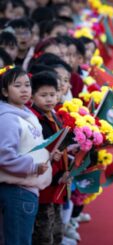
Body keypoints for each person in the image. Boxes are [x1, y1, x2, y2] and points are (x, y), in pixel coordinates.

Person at [0, 66, 52, 245]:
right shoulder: (7, 118)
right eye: (17, 85)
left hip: (27, 189)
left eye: (27, 85)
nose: (24, 89)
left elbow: (32, 146)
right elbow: (5, 157)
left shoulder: (27, 114)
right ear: (5, 91)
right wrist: (33, 166)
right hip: (17, 190)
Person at [29, 71, 70, 245]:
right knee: (43, 234)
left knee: (56, 229)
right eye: (43, 95)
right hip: (44, 184)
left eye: (52, 95)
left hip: (58, 181)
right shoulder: (33, 119)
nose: (49, 99)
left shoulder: (54, 115)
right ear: (32, 96)